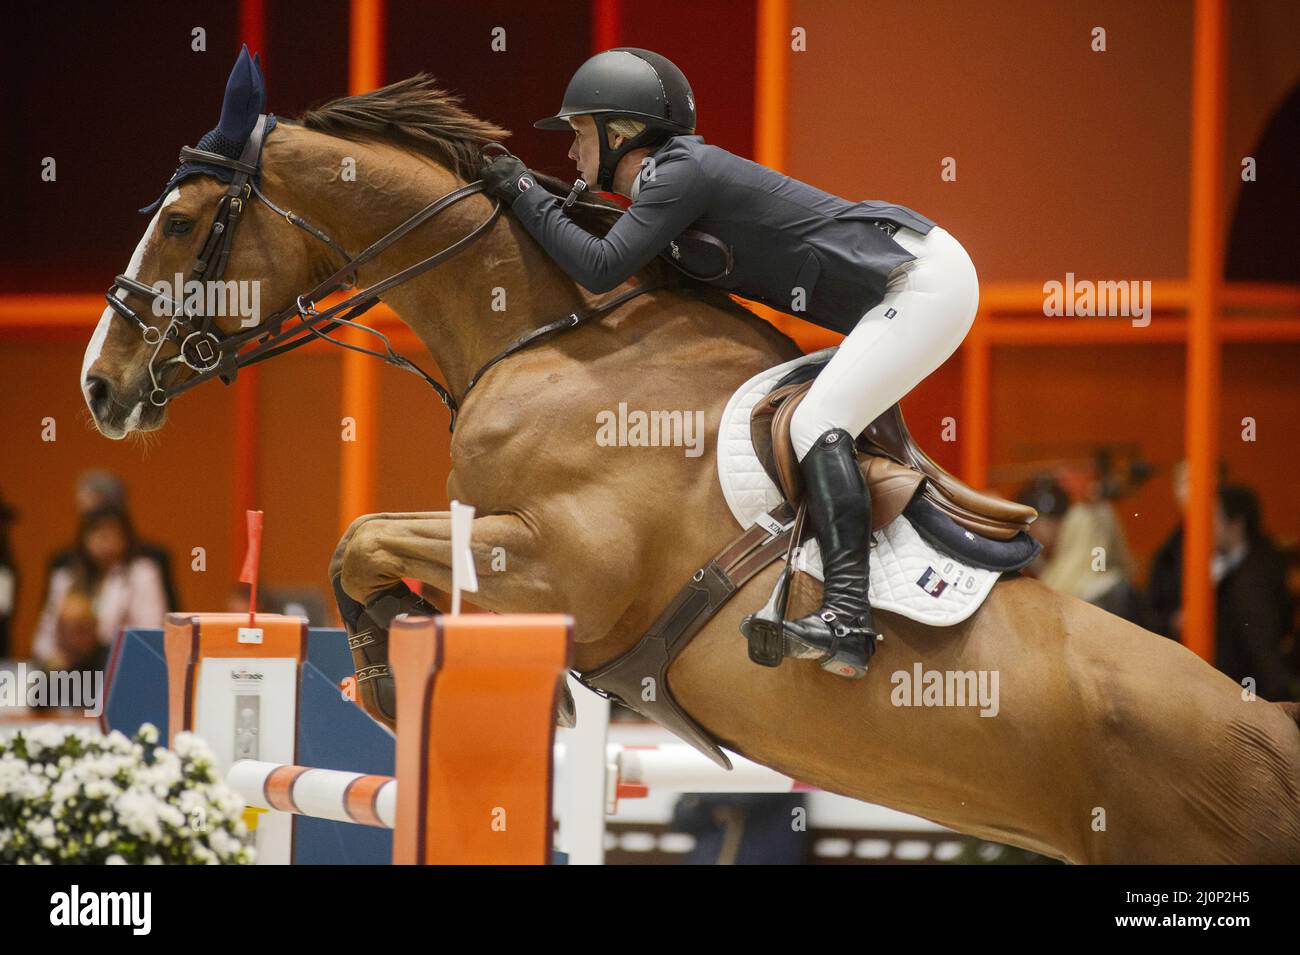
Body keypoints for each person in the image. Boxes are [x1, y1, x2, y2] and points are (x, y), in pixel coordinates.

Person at [478, 48, 977, 679]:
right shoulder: (668, 188)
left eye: (580, 134)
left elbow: (599, 265)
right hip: (906, 284)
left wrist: (523, 190)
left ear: (620, 134)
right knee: (811, 417)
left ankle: (849, 619)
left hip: (924, 281)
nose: (572, 153)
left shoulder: (679, 170)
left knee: (813, 423)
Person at [31, 505, 167, 671]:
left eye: (110, 533)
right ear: (84, 537)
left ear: (125, 537)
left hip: (120, 663)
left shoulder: (141, 573)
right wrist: (50, 658)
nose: (103, 540)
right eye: (96, 533)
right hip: (68, 665)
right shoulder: (66, 576)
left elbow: (150, 631)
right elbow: (47, 629)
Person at [45, 470, 180, 612]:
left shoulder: (146, 568)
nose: (103, 541)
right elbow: (48, 627)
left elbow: (155, 625)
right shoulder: (65, 569)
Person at [1212, 485, 1297, 700]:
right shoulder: (1229, 566)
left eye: (1215, 517)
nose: (1209, 526)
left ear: (1237, 524)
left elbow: (1261, 647)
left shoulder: (1255, 577)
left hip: (1253, 693)